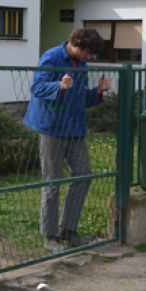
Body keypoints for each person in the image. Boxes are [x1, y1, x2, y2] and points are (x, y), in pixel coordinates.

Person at [24, 28, 112, 253]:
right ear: (79, 47)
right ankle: (50, 236)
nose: (89, 58)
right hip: (51, 127)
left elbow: (80, 98)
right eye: (89, 53)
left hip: (74, 127)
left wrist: (98, 92)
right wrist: (59, 86)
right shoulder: (52, 57)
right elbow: (36, 87)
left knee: (83, 175)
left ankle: (68, 230)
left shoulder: (81, 64)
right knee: (52, 183)